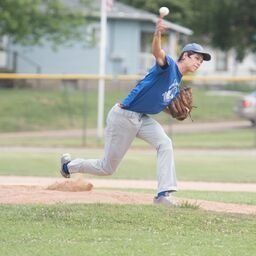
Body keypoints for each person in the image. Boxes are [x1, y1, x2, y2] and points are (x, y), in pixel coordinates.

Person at [60, 18, 211, 206]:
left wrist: (171, 110)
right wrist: (157, 34)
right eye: (197, 57)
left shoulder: (176, 82)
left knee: (165, 143)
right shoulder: (169, 67)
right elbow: (157, 52)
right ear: (186, 55)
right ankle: (68, 166)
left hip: (141, 118)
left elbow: (156, 102)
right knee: (106, 167)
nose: (199, 62)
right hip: (124, 117)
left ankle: (163, 194)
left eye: (201, 60)